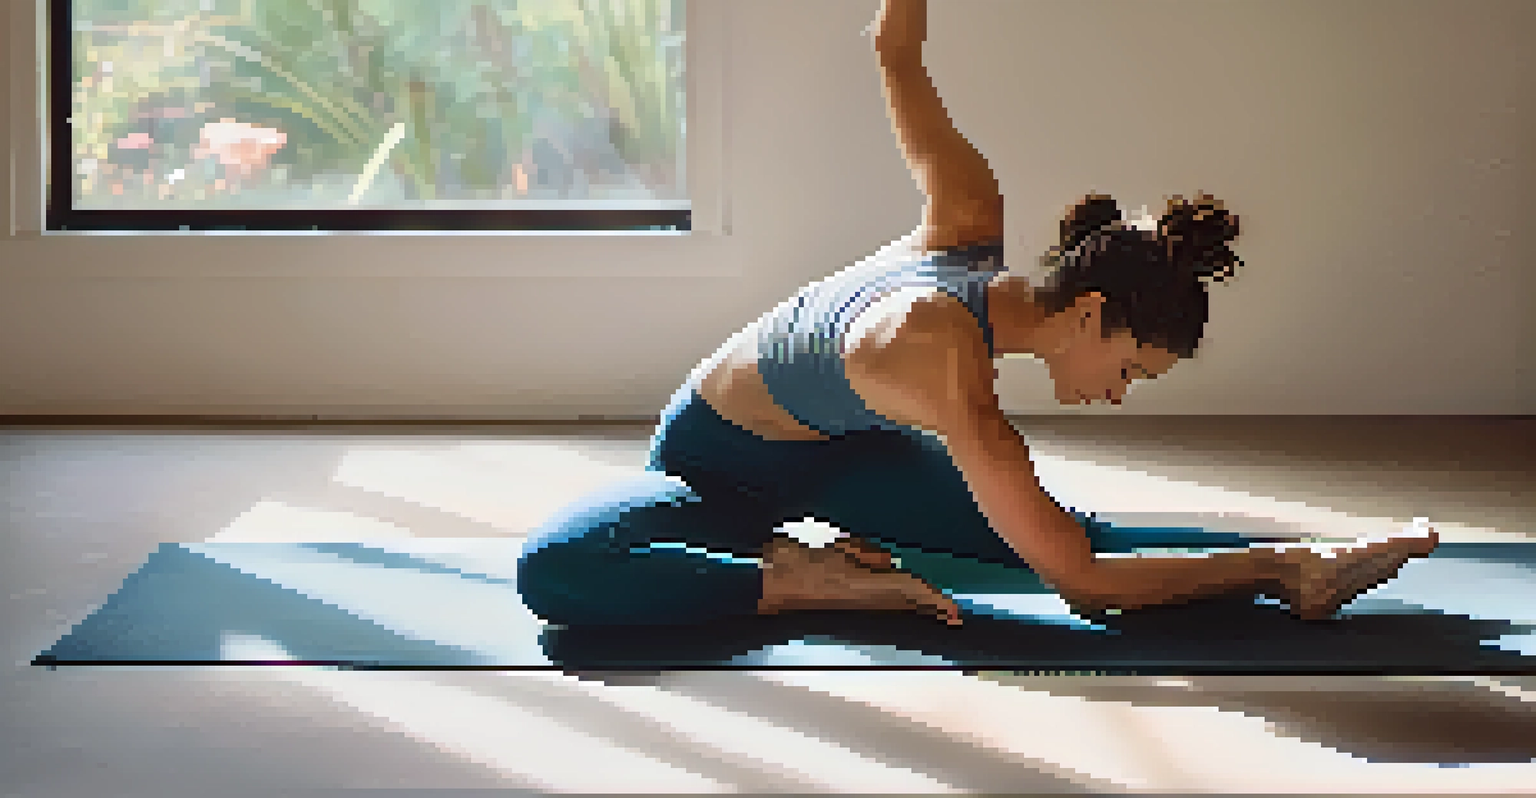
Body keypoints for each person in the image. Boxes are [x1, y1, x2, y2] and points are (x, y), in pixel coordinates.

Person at [516, 0, 1438, 628]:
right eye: (1127, 370)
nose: (1116, 395)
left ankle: (1308, 560)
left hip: (845, 458)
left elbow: (894, 47)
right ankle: (803, 581)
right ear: (1087, 313)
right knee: (555, 568)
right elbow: (1080, 587)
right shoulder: (945, 370)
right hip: (716, 468)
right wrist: (1247, 574)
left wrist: (1275, 564)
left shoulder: (968, 220)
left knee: (1078, 526)